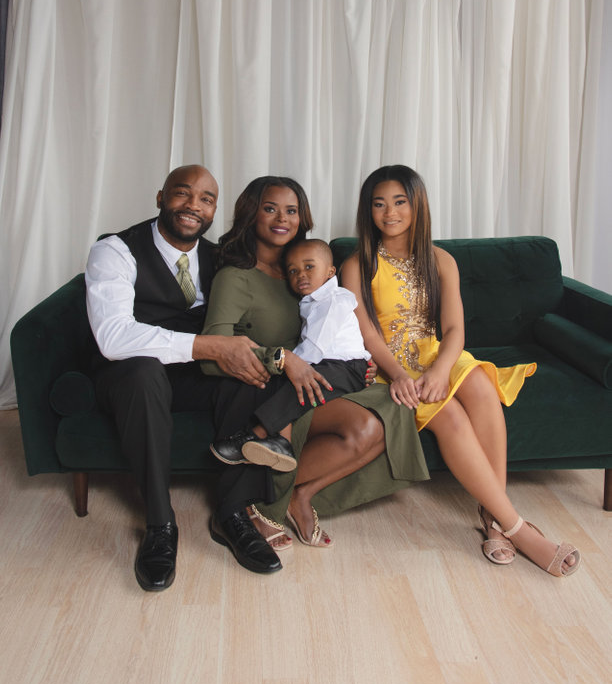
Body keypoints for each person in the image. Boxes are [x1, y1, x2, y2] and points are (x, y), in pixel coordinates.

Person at [340, 164, 580, 577]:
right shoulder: (356, 265)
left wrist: (440, 370)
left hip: (438, 354)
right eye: (379, 204)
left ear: (417, 205)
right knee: (449, 416)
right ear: (368, 210)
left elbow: (454, 329)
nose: (390, 212)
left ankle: (494, 518)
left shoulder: (440, 260)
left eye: (400, 202)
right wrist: (399, 375)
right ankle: (518, 528)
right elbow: (368, 336)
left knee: (482, 386)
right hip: (392, 367)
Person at [202, 177, 430, 557]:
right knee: (365, 425)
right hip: (273, 381)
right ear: (251, 214)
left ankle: (301, 494)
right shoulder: (236, 277)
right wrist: (284, 360)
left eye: (291, 210)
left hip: (318, 372)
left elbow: (337, 325)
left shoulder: (306, 274)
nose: (282, 218)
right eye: (270, 208)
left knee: (391, 412)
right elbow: (214, 351)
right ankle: (260, 502)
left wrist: (358, 359)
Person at [85, 164, 283, 592]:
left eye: (206, 199)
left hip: (189, 376)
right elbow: (114, 337)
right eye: (182, 193)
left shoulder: (219, 257)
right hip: (128, 378)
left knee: (247, 374)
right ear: (161, 197)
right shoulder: (115, 250)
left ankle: (232, 514)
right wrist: (210, 347)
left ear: (214, 210)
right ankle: (160, 524)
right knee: (143, 373)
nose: (194, 205)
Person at [208, 238, 370, 473]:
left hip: (346, 367)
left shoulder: (332, 301)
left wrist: (289, 364)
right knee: (291, 381)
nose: (301, 275)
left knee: (299, 380)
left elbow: (314, 346)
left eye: (309, 267)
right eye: (293, 271)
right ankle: (281, 441)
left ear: (330, 272)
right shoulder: (311, 301)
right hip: (331, 364)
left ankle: (254, 435)